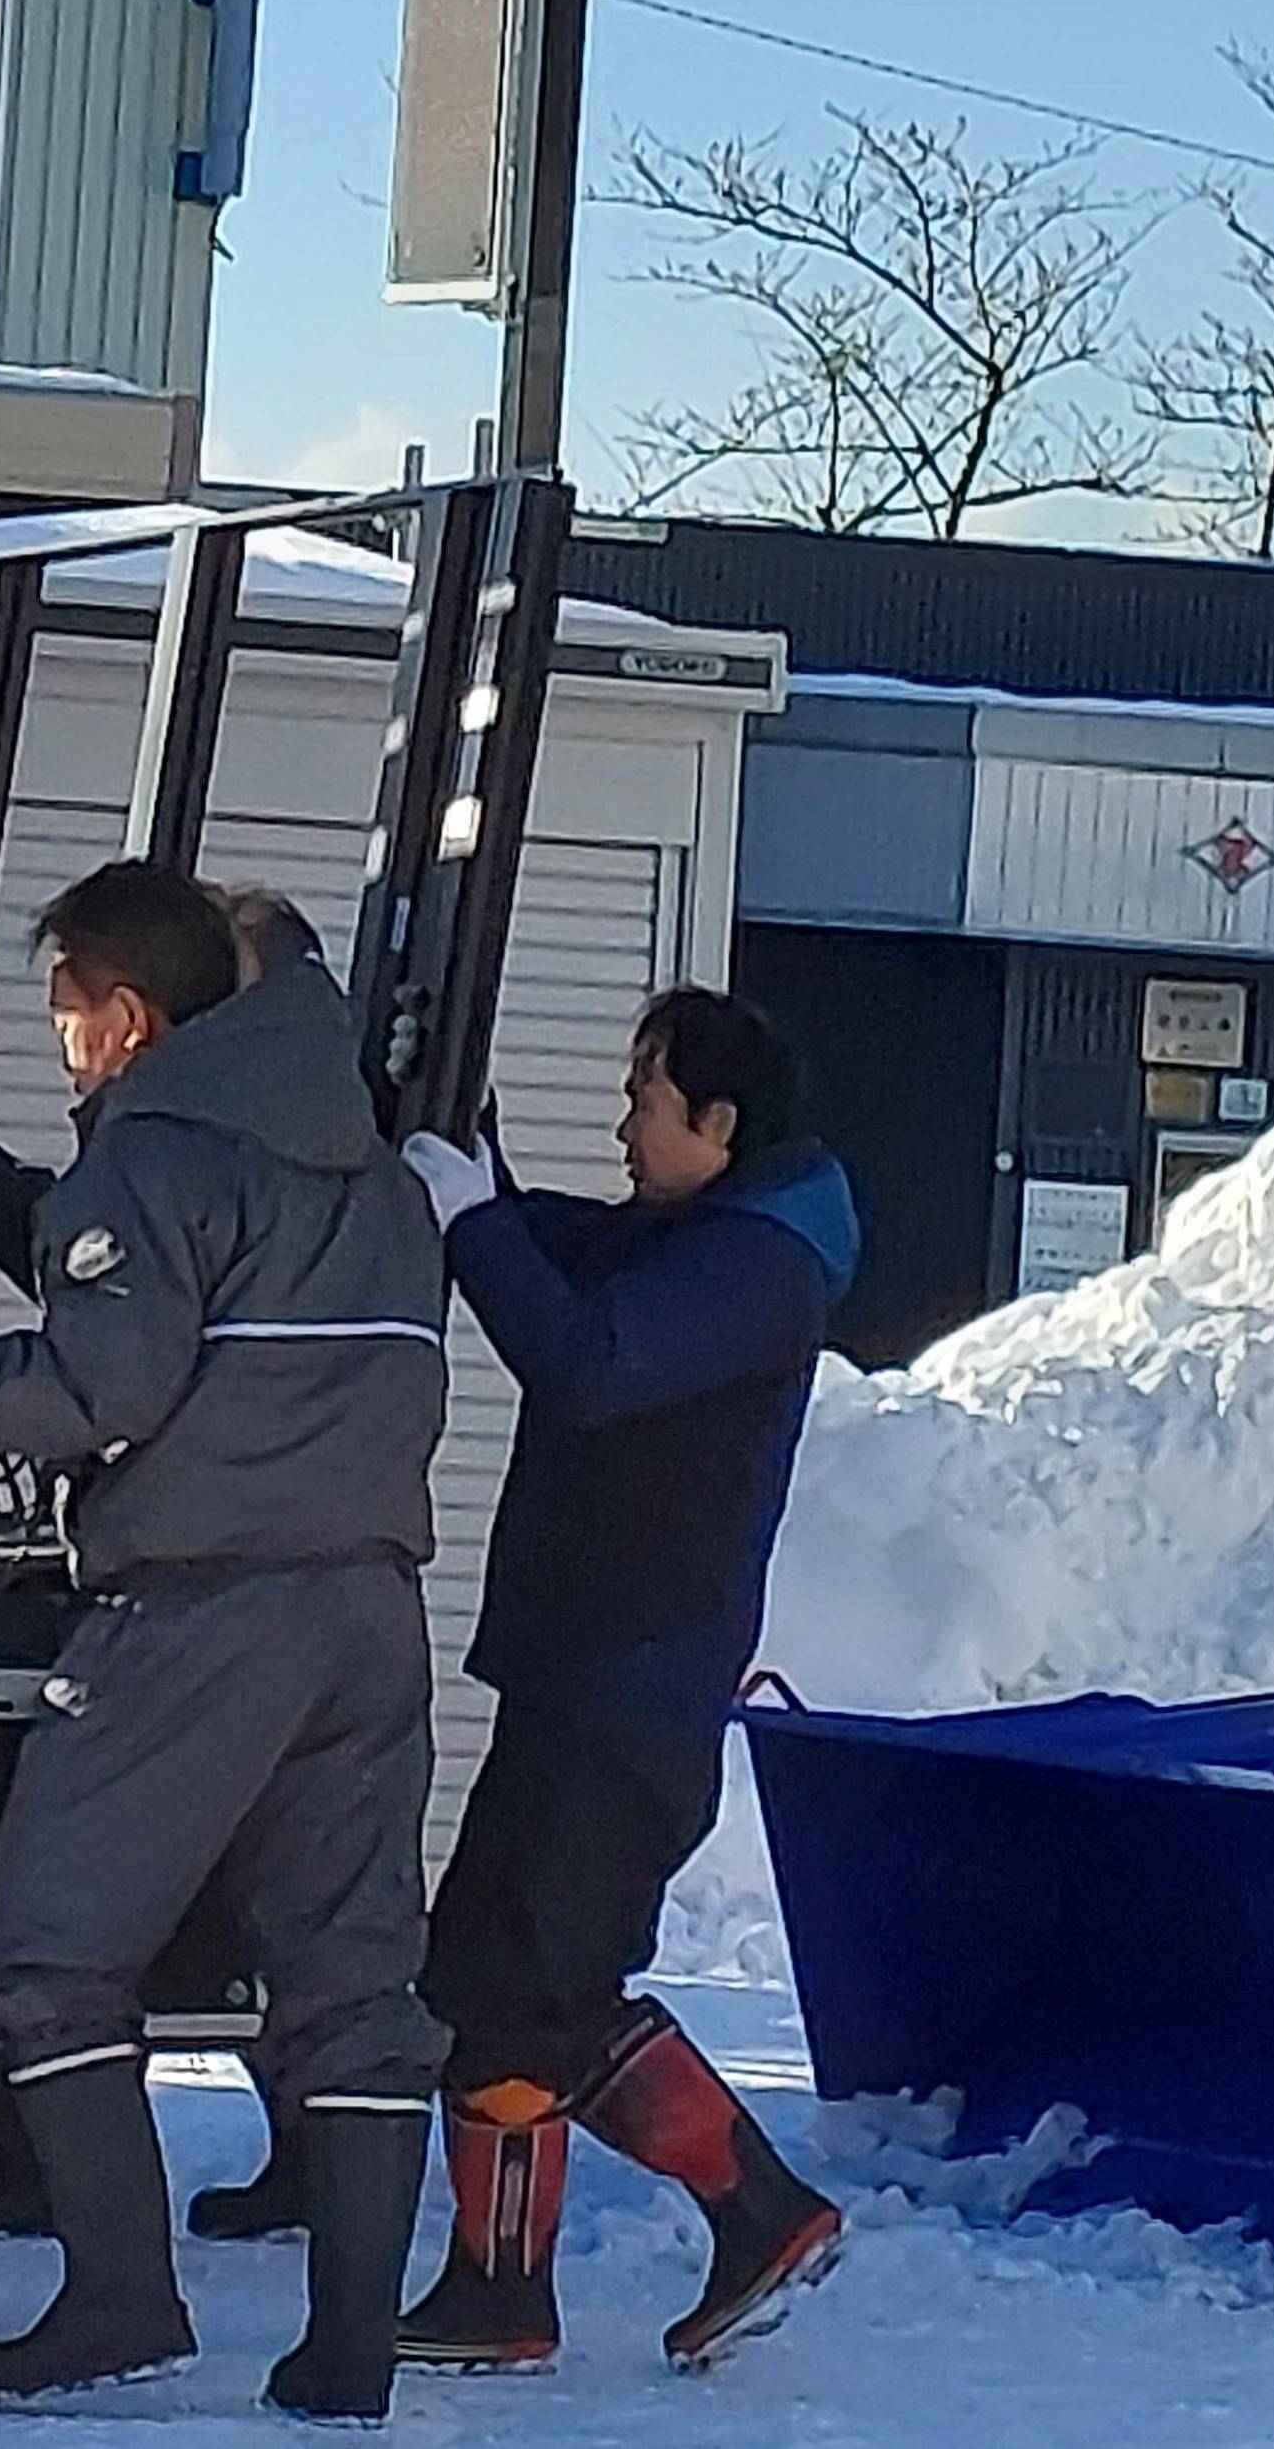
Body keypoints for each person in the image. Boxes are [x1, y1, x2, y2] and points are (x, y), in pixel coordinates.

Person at [0, 858, 449, 2419]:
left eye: (68, 1015)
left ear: (131, 1019)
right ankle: (352, 2350)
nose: (65, 1044)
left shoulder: (154, 1160)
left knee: (50, 1960)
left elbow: (100, 1393)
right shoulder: (376, 1172)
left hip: (201, 1616)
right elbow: (220, 1332)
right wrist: (18, 1205)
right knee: (353, 1984)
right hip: (368, 1611)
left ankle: (119, 2299)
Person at [392, 987, 859, 2376]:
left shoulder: (756, 1269)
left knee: (532, 1983)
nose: (625, 1123)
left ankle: (732, 2216)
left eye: (645, 1100)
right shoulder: (704, 1236)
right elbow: (578, 1254)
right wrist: (478, 1175)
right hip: (587, 1672)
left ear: (718, 1125)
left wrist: (474, 1220)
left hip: (631, 1689)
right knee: (495, 1967)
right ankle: (532, 2275)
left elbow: (590, 1359)